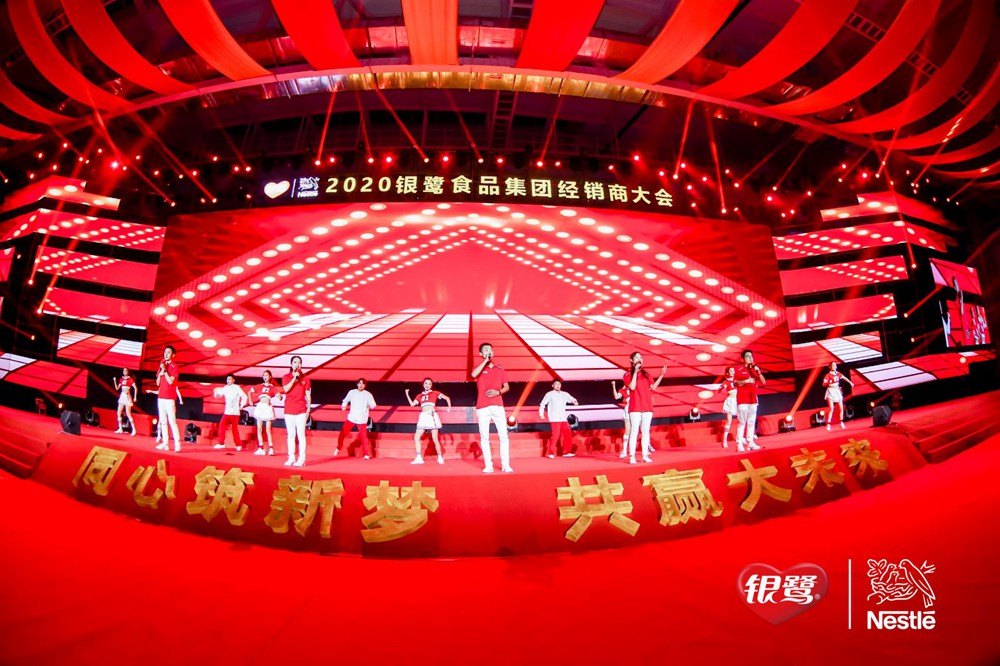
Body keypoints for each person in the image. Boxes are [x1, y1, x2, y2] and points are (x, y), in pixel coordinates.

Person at [471, 342, 511, 473]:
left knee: (503, 436)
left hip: (498, 405)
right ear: (481, 354)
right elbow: (473, 375)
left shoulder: (500, 369)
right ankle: (488, 465)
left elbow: (506, 386)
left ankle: (505, 465)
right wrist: (485, 361)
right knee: (484, 437)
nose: (489, 351)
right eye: (486, 350)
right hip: (483, 406)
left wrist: (498, 392)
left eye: (491, 350)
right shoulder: (479, 368)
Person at [623, 352, 667, 464]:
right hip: (635, 406)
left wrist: (661, 375)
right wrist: (635, 372)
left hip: (647, 405)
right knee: (634, 431)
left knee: (645, 431)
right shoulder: (627, 375)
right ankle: (632, 456)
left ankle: (644, 455)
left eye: (641, 357)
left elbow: (653, 387)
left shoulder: (646, 374)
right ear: (632, 361)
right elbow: (632, 386)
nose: (640, 359)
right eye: (637, 357)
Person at [405, 378, 452, 465]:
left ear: (431, 385)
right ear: (423, 385)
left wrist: (449, 407)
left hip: (431, 415)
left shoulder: (435, 393)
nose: (427, 385)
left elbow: (447, 398)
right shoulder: (419, 396)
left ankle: (440, 457)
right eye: (426, 383)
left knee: (435, 438)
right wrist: (407, 394)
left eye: (429, 384)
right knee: (416, 437)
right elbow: (412, 404)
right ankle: (419, 458)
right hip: (423, 416)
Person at [281, 356, 311, 467]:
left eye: (299, 363)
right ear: (291, 364)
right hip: (289, 409)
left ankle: (302, 459)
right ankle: (291, 457)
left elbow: (308, 395)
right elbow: (286, 389)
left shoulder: (306, 379)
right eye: (295, 362)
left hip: (301, 410)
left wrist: (308, 409)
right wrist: (294, 378)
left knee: (301, 435)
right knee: (290, 435)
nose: (297, 364)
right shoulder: (286, 377)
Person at [337, 378, 377, 459]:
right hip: (352, 417)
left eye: (363, 384)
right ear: (357, 384)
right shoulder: (352, 392)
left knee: (363, 437)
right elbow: (345, 400)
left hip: (362, 419)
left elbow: (373, 405)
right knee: (342, 433)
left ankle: (366, 454)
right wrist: (343, 406)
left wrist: (368, 406)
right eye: (359, 383)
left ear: (365, 385)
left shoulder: (368, 394)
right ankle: (338, 447)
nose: (361, 385)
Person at [539, 379, 579, 458]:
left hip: (563, 418)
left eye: (559, 384)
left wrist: (575, 402)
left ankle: (566, 452)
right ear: (553, 386)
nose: (558, 386)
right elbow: (542, 404)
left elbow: (572, 399)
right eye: (556, 384)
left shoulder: (564, 394)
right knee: (555, 435)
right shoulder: (549, 394)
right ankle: (551, 452)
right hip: (554, 418)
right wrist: (541, 414)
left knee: (568, 434)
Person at [733, 350, 764, 452]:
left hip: (753, 400)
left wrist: (758, 371)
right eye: (747, 356)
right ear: (743, 359)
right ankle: (739, 444)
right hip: (742, 399)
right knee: (742, 422)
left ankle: (750, 442)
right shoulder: (739, 369)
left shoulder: (754, 369)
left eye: (751, 356)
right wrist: (746, 381)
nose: (750, 358)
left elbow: (763, 382)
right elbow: (735, 383)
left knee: (751, 422)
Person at [155, 345, 182, 452]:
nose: (166, 354)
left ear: (173, 355)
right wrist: (160, 374)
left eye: (168, 352)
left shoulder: (174, 367)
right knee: (163, 421)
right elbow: (157, 383)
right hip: (161, 397)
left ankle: (177, 444)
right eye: (165, 352)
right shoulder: (161, 365)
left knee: (172, 421)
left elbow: (171, 382)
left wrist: (165, 371)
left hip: (170, 398)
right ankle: (165, 444)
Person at [248, 370, 282, 456]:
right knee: (259, 429)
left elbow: (279, 396)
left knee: (268, 430)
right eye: (264, 375)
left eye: (267, 375)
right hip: (260, 407)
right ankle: (261, 448)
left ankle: (271, 448)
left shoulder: (272, 387)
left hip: (267, 407)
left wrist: (279, 397)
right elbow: (249, 391)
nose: (265, 377)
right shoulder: (259, 386)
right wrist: (250, 400)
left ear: (270, 377)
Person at [212, 374, 247, 451]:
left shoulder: (237, 387)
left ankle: (238, 445)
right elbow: (218, 395)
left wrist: (242, 405)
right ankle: (221, 443)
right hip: (227, 412)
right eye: (227, 379)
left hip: (235, 412)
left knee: (234, 429)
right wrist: (216, 393)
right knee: (222, 426)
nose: (228, 381)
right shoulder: (225, 388)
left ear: (233, 380)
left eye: (230, 379)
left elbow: (244, 396)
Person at [822, 361, 854, 430]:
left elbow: (844, 378)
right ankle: (828, 424)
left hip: (837, 390)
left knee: (841, 408)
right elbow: (823, 384)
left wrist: (850, 383)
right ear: (830, 367)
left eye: (835, 365)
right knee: (831, 409)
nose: (834, 367)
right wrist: (828, 382)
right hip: (831, 391)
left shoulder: (838, 373)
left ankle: (841, 422)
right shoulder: (828, 375)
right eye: (833, 365)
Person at [113, 368, 138, 436]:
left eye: (126, 370)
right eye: (123, 370)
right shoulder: (121, 379)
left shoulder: (130, 379)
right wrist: (114, 381)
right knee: (118, 412)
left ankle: (134, 429)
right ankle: (120, 428)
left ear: (128, 372)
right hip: (122, 396)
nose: (124, 372)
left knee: (128, 413)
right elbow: (117, 388)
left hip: (127, 396)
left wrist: (135, 397)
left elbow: (135, 388)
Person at [718, 366, 737, 447]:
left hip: (737, 401)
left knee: (741, 419)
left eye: (733, 371)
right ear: (727, 373)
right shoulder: (725, 382)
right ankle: (724, 440)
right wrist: (724, 389)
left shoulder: (737, 380)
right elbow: (719, 391)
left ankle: (741, 437)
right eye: (731, 371)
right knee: (729, 421)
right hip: (730, 402)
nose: (733, 372)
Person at [611, 380, 631, 458]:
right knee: (627, 431)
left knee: (639, 430)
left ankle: (646, 448)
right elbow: (616, 397)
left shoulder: (635, 387)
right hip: (629, 410)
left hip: (637, 409)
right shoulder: (623, 390)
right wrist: (613, 386)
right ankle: (624, 450)